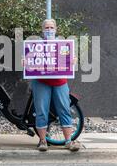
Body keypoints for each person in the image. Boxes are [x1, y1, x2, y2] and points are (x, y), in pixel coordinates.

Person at [24, 19, 80, 152]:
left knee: (64, 110)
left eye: (51, 27)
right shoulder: (35, 45)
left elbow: (70, 61)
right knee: (41, 111)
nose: (49, 30)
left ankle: (68, 141)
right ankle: (42, 141)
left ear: (56, 29)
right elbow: (30, 62)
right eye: (47, 27)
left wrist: (73, 61)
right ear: (42, 29)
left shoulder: (63, 44)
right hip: (41, 82)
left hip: (60, 82)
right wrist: (25, 62)